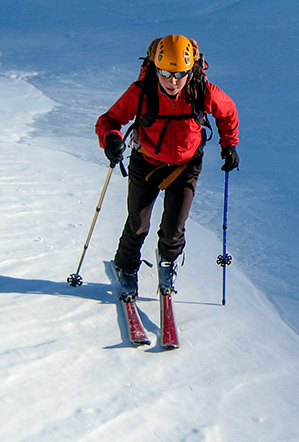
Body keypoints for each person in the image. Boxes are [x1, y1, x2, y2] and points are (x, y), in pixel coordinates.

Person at [96, 35, 239, 299]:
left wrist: (229, 144)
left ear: (190, 71)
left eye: (179, 74)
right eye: (164, 73)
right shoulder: (141, 92)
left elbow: (227, 112)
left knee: (175, 228)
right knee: (138, 224)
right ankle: (125, 267)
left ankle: (167, 264)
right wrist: (111, 140)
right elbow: (109, 120)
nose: (172, 82)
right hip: (146, 163)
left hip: (185, 166)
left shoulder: (202, 92)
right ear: (155, 68)